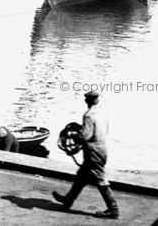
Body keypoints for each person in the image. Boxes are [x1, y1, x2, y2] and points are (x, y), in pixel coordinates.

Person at [53, 91, 119, 219]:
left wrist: (72, 135)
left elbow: (85, 136)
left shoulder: (88, 115)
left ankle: (113, 209)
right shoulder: (103, 113)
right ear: (97, 100)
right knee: (82, 176)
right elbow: (106, 131)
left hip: (92, 152)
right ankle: (68, 200)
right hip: (102, 148)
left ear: (86, 101)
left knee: (100, 180)